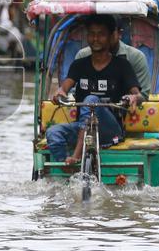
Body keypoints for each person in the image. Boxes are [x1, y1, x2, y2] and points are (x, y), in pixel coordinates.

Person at [46, 15, 143, 164]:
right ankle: (66, 167)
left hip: (110, 131)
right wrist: (60, 93)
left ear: (111, 36)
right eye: (91, 34)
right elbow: (65, 87)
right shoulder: (78, 65)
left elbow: (138, 94)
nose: (95, 39)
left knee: (91, 100)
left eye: (101, 34)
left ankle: (77, 156)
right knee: (53, 132)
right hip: (82, 127)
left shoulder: (122, 66)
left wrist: (134, 97)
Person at [73, 19, 150, 97]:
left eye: (103, 34)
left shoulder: (134, 58)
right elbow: (73, 89)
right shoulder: (82, 56)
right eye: (92, 34)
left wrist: (132, 98)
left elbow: (141, 94)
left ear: (119, 34)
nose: (97, 39)